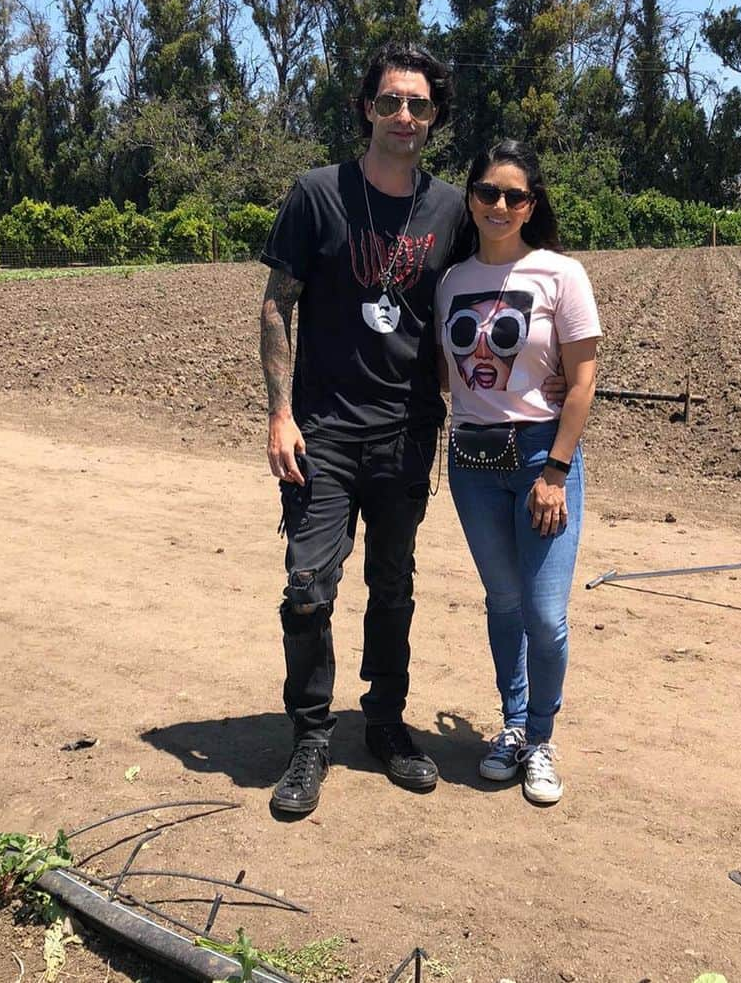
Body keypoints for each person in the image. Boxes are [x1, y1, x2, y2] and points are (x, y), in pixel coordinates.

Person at [257, 42, 472, 817]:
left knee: (394, 585)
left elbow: (484, 299)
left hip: (409, 434)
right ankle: (311, 734)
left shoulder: (450, 209)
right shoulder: (317, 195)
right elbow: (278, 302)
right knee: (307, 588)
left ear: (434, 117)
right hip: (323, 433)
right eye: (390, 102)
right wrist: (279, 412)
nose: (403, 116)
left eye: (417, 104)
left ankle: (384, 721)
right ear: (367, 109)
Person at [435, 139, 601, 805]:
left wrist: (557, 469)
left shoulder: (561, 274)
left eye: (514, 195)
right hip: (472, 459)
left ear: (532, 205)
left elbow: (584, 378)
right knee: (503, 602)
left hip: (540, 455)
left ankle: (541, 736)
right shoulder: (452, 281)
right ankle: (510, 724)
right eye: (487, 193)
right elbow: (440, 374)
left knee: (544, 613)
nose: (500, 205)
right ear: (470, 199)